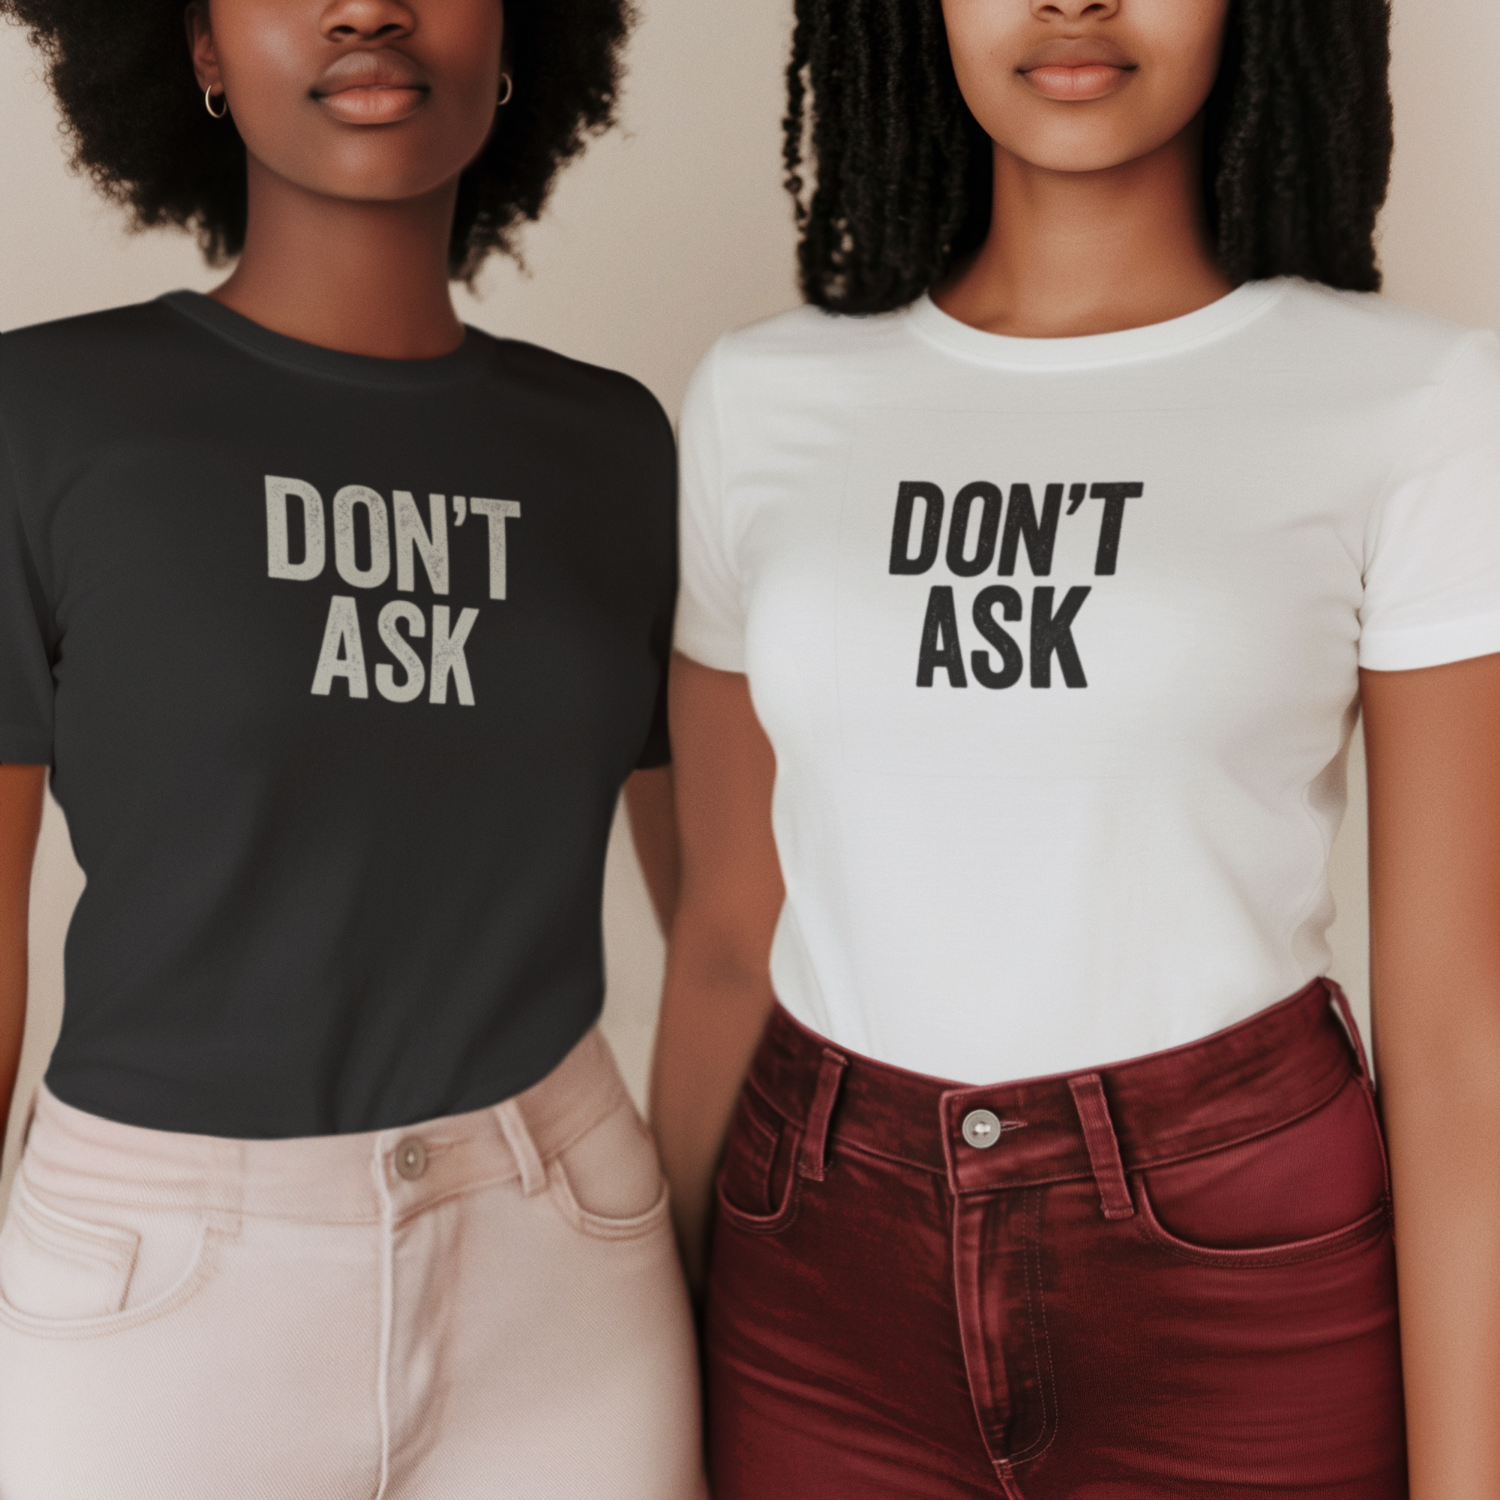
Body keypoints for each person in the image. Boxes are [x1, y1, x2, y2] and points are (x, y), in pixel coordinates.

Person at [652, 0, 1500, 1495]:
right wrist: (657, 1371)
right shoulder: (763, 399)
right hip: (821, 1265)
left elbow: (1451, 1034)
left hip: (1237, 1269)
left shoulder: (1412, 401)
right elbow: (725, 932)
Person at [0, 2, 701, 1496]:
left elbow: (719, 925)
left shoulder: (615, 450)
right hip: (154, 1282)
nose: (367, 5)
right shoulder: (40, 419)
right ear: (191, 44)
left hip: (565, 1260)